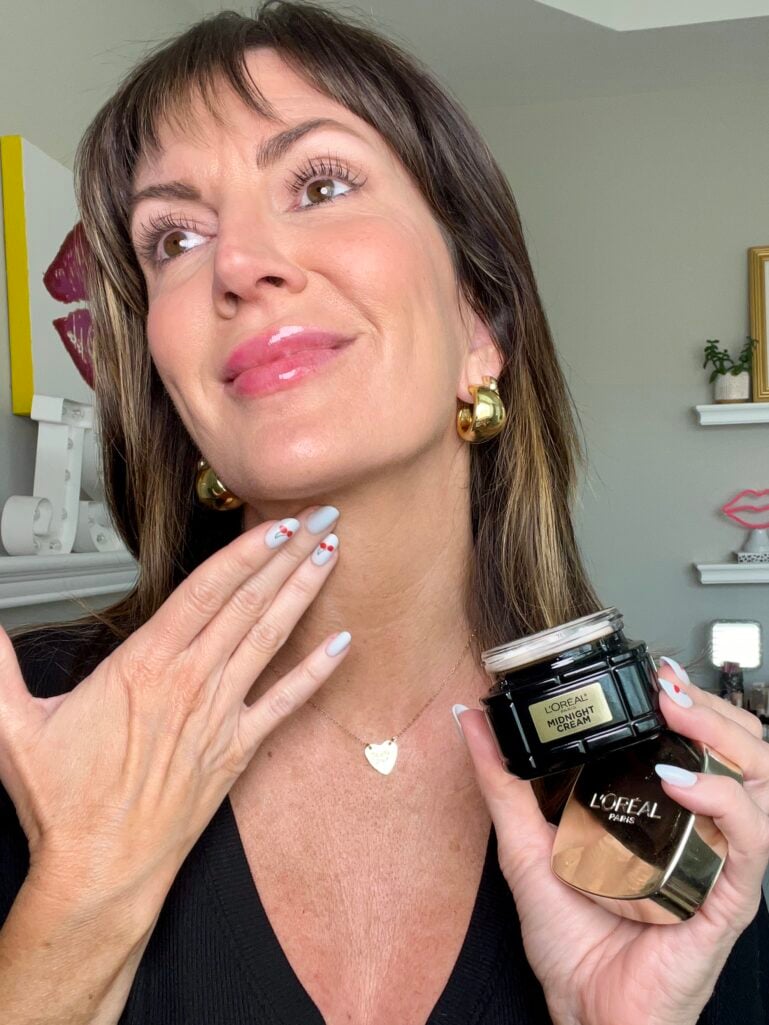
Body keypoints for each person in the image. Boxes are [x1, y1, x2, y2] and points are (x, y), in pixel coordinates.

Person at [1, 3, 768, 1023]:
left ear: (478, 324)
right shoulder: (32, 729)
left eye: (318, 183)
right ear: (172, 384)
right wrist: (78, 911)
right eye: (174, 236)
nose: (239, 264)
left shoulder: (678, 799)